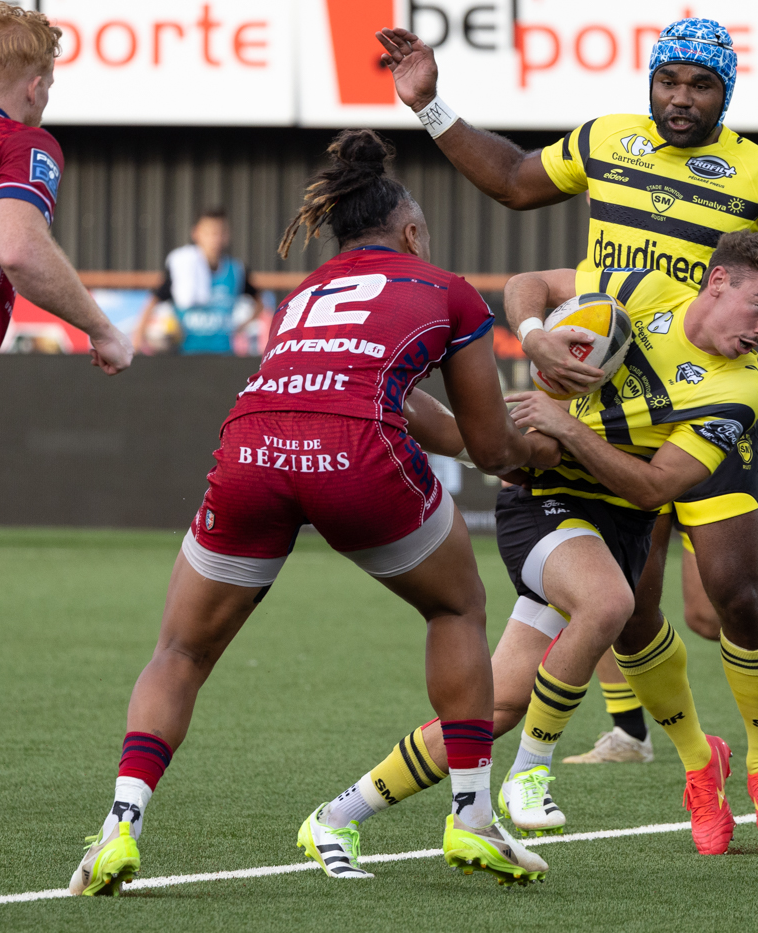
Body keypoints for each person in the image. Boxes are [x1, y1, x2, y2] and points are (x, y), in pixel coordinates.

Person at [372, 15, 758, 776]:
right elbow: (517, 180)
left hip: (705, 400)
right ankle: (646, 740)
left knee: (723, 600)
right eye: (669, 81)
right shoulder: (607, 140)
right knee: (630, 602)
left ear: (727, 93)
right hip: (614, 407)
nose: (682, 98)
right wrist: (430, 104)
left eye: (701, 85)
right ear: (651, 81)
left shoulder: (757, 173)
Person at [68, 130, 555, 896]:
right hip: (354, 456)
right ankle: (470, 815)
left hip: (252, 446)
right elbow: (492, 449)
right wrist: (543, 451)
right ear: (412, 232)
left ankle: (118, 828)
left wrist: (478, 442)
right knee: (457, 606)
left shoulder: (304, 293)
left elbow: (374, 389)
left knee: (181, 651)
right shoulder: (445, 287)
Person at [306, 231, 758, 859]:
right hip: (545, 503)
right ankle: (528, 773)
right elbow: (526, 285)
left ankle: (335, 816)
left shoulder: (739, 391)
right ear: (718, 282)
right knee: (608, 604)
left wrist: (567, 425)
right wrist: (537, 331)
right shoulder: (642, 289)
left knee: (493, 707)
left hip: (618, 520)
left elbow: (653, 491)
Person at [0, 2, 132, 655]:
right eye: (51, 86)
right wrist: (102, 329)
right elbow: (19, 249)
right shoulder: (21, 143)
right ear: (34, 85)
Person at [133, 208, 265, 355]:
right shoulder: (181, 269)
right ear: (196, 233)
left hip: (224, 355)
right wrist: (138, 338)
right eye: (210, 233)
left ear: (227, 235)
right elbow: (153, 301)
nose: (215, 239)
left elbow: (260, 302)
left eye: (220, 233)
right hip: (185, 355)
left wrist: (241, 327)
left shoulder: (236, 270)